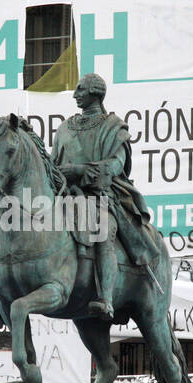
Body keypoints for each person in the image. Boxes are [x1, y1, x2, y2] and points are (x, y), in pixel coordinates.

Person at [52, 72, 158, 320]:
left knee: (103, 231)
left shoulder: (113, 127)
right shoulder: (65, 128)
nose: (75, 94)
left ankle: (105, 298)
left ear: (95, 93)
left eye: (80, 89)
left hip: (101, 195)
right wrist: (60, 174)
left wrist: (80, 171)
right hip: (65, 194)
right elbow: (52, 164)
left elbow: (114, 166)